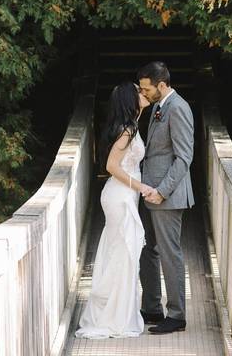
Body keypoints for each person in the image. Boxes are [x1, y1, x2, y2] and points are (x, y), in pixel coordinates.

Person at [74, 82, 157, 339]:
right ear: (129, 100)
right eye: (138, 92)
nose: (143, 94)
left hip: (122, 196)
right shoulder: (128, 130)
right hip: (121, 197)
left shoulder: (130, 126)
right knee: (124, 256)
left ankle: (116, 312)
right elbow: (111, 165)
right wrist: (141, 186)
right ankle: (114, 317)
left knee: (121, 254)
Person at [137, 61, 195, 335]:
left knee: (170, 253)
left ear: (162, 85)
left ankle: (177, 315)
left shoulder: (179, 108)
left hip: (167, 197)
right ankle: (151, 307)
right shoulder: (159, 107)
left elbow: (184, 158)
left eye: (147, 88)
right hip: (149, 192)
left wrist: (162, 191)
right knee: (148, 248)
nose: (144, 93)